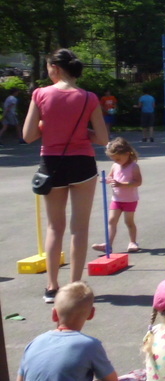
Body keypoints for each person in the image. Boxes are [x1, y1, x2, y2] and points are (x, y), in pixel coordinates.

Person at [22, 49, 109, 303]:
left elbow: (28, 136)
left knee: (54, 227)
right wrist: (82, 132)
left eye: (48, 67)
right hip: (83, 165)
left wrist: (47, 127)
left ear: (56, 68)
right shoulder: (89, 97)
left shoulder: (40, 94)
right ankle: (75, 288)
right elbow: (103, 139)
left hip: (51, 164)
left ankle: (51, 287)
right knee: (79, 229)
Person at [16, 282, 146, 381]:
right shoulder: (89, 344)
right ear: (91, 314)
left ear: (54, 314)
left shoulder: (34, 343)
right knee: (139, 378)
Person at [91, 137, 142, 254]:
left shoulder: (134, 167)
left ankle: (133, 242)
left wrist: (121, 184)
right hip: (116, 199)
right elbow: (110, 177)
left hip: (130, 200)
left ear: (127, 154)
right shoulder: (115, 166)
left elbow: (138, 182)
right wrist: (106, 180)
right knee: (111, 221)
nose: (116, 161)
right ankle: (108, 244)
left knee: (129, 222)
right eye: (113, 159)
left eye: (118, 158)